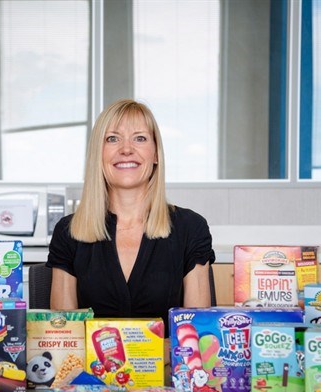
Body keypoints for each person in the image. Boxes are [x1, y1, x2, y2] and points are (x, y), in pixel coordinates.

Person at [47, 98, 215, 326]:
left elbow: (194, 336)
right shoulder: (68, 232)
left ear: (156, 154)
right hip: (91, 363)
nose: (126, 149)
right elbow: (64, 335)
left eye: (140, 138)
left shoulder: (191, 228)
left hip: (167, 363)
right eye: (112, 139)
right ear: (99, 154)